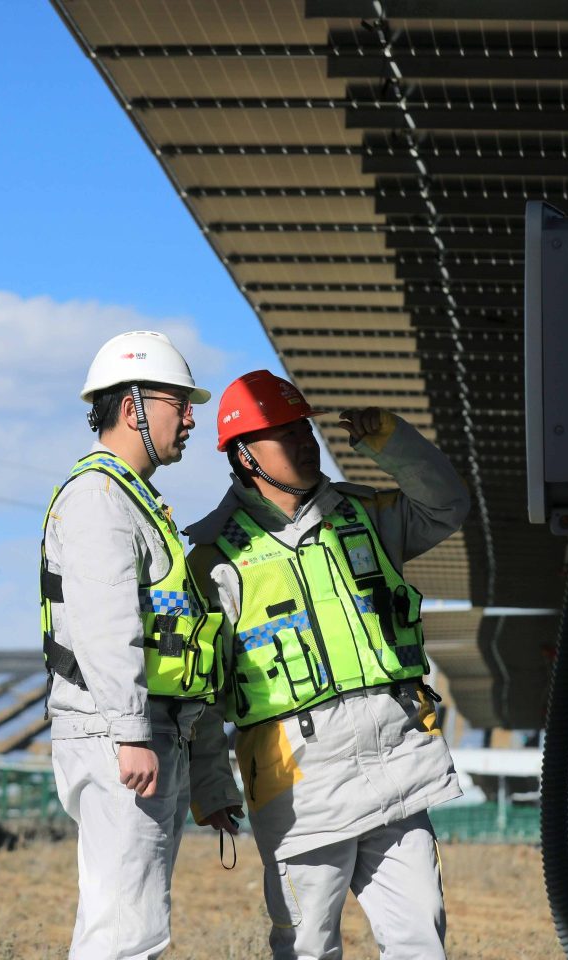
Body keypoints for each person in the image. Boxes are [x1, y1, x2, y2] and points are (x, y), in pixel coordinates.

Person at [184, 369, 470, 960]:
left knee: (422, 939)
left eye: (304, 430)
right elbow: (199, 690)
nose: (304, 443)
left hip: (398, 761)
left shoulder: (367, 516)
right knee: (307, 946)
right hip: (300, 784)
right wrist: (210, 784)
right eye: (283, 436)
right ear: (244, 456)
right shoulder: (213, 560)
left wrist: (394, 442)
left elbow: (447, 506)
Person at [39, 330, 243, 960]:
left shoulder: (131, 497)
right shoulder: (101, 500)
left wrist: (206, 778)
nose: (190, 419)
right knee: (127, 929)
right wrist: (130, 733)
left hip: (139, 729)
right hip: (116, 733)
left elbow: (184, 650)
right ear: (132, 408)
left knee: (128, 916)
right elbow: (106, 628)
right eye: (178, 403)